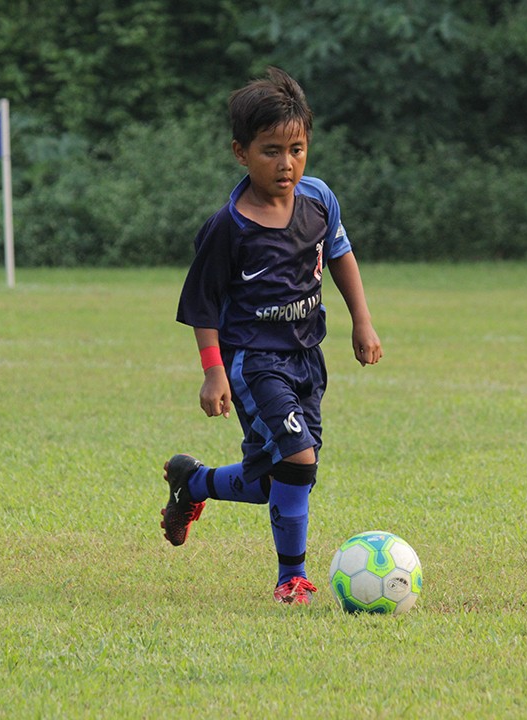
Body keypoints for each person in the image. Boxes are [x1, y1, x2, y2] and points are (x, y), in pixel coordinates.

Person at [159, 67, 382, 605]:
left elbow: (340, 255)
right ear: (241, 152)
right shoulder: (229, 227)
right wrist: (215, 371)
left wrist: (362, 320)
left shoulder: (319, 200)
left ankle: (193, 482)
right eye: (271, 150)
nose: (286, 163)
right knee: (299, 459)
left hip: (308, 357)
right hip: (255, 362)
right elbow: (203, 305)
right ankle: (291, 579)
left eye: (297, 148)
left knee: (276, 480)